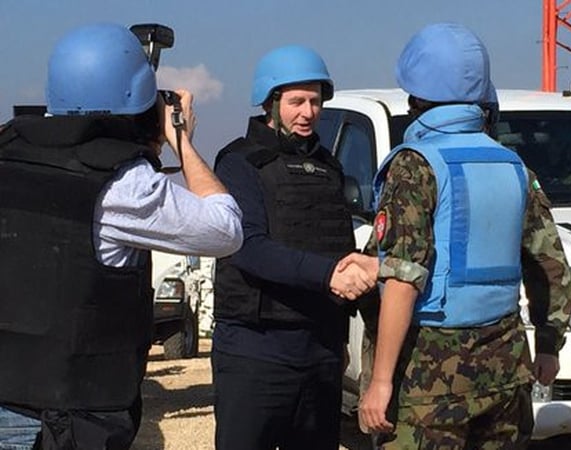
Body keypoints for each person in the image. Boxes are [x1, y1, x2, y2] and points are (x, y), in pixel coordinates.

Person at [0, 23, 243, 450]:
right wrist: (180, 140)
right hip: (69, 416)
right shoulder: (123, 184)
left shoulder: (8, 150)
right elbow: (226, 229)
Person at [357, 23, 571, 449]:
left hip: (428, 375)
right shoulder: (513, 166)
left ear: (416, 95)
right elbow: (551, 266)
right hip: (506, 369)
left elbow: (404, 276)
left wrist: (381, 382)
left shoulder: (415, 165)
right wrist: (549, 346)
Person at [211, 45, 377, 450]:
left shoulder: (329, 168)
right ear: (270, 103)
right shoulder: (239, 162)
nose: (308, 113)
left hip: (320, 349)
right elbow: (249, 247)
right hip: (257, 350)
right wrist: (328, 275)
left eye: (315, 102)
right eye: (296, 102)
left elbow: (338, 246)